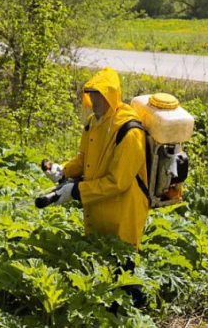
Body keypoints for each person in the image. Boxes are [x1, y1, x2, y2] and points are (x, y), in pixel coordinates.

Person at [43, 67, 149, 310]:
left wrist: (77, 192)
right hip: (99, 207)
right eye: (91, 95)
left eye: (100, 95)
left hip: (124, 212)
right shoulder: (94, 122)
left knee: (123, 274)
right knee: (103, 270)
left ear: (112, 95)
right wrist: (64, 171)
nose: (95, 101)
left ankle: (136, 315)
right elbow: (84, 159)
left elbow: (117, 182)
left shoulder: (129, 131)